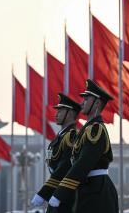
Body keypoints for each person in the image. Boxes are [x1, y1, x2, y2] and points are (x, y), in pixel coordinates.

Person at [48, 79, 118, 213]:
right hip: (87, 187)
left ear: (97, 103)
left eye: (87, 100)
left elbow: (83, 163)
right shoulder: (86, 130)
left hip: (98, 191)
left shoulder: (95, 130)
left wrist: (60, 192)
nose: (82, 103)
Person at [31, 93, 80, 212]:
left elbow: (65, 167)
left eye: (61, 111)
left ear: (70, 114)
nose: (56, 114)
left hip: (67, 193)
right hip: (57, 189)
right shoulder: (59, 137)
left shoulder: (72, 136)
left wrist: (44, 192)